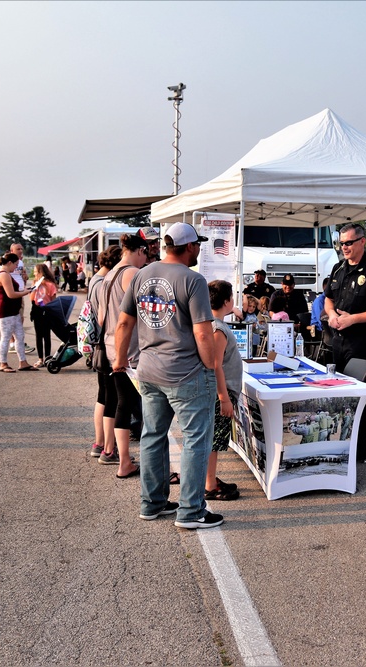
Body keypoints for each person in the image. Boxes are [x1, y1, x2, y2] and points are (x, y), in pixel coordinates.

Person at [113, 221, 223, 529]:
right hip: (185, 371)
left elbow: (124, 324)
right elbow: (203, 333)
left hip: (148, 370)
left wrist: (119, 362)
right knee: (195, 440)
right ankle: (191, 511)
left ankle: (152, 503)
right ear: (190, 247)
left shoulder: (142, 274)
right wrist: (211, 368)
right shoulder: (193, 280)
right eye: (197, 244)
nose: (199, 249)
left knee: (152, 436)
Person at [323, 223, 366, 462]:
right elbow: (328, 300)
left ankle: (359, 449)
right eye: (341, 243)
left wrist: (353, 319)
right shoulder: (338, 268)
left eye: (349, 243)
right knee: (339, 395)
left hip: (362, 342)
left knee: (359, 395)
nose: (344, 247)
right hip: (339, 341)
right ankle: (341, 444)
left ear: (362, 241)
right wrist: (332, 315)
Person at [97, 233, 149, 478]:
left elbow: (100, 317)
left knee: (123, 404)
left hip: (110, 346)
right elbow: (143, 312)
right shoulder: (131, 274)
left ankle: (124, 460)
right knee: (146, 409)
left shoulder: (108, 275)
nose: (145, 260)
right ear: (139, 251)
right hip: (129, 351)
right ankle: (154, 465)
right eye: (146, 254)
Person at [206, 279, 242, 501]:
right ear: (227, 301)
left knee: (212, 440)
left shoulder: (212, 323)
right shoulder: (218, 328)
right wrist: (224, 398)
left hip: (221, 391)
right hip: (221, 393)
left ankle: (209, 479)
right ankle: (209, 485)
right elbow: (216, 364)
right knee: (213, 441)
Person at [86, 245, 122, 460]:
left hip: (99, 346)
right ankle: (108, 447)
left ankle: (100, 443)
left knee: (103, 396)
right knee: (111, 398)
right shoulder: (104, 284)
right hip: (106, 345)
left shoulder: (94, 280)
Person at [0, 253, 36, 372]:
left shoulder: (7, 274)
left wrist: (24, 290)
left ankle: (23, 362)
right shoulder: (4, 275)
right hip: (6, 310)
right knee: (6, 337)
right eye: (16, 265)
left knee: (20, 336)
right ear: (9, 263)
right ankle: (3, 364)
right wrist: (26, 292)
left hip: (13, 310)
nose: (16, 268)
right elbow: (11, 294)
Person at [29, 263, 71, 368]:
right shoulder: (34, 282)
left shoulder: (50, 285)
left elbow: (53, 301)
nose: (34, 273)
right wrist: (35, 288)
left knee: (46, 336)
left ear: (41, 273)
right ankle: (40, 359)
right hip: (37, 311)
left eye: (36, 271)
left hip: (47, 311)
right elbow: (31, 299)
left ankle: (47, 357)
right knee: (38, 336)